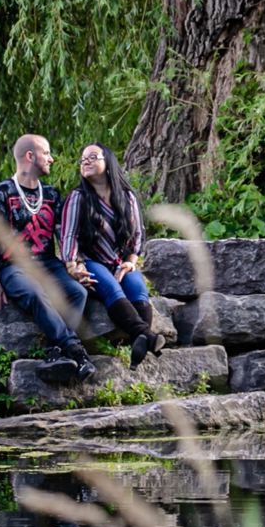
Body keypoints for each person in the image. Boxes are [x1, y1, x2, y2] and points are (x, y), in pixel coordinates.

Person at [0, 133, 96, 382]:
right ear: (30, 156)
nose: (51, 159)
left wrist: (74, 267)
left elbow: (64, 238)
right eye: (46, 153)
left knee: (78, 292)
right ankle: (75, 350)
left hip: (47, 263)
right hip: (14, 267)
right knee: (35, 293)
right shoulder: (1, 193)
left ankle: (56, 351)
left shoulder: (52, 195)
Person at [61, 143, 164, 367]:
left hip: (119, 260)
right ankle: (147, 336)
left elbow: (137, 233)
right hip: (90, 260)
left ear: (108, 163)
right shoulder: (78, 198)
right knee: (112, 289)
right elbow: (68, 236)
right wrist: (73, 267)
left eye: (92, 157)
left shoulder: (127, 197)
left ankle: (140, 343)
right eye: (82, 159)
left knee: (138, 289)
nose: (85, 162)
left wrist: (130, 262)